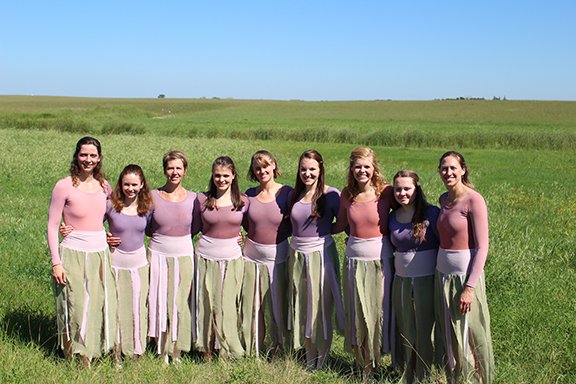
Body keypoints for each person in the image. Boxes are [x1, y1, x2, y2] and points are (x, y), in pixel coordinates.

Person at [47, 136, 117, 367]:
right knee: (74, 303)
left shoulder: (105, 186)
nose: (88, 160)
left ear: (99, 158)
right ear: (76, 156)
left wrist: (107, 234)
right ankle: (72, 354)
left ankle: (89, 352)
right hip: (72, 252)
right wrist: (56, 262)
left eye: (93, 156)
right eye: (83, 155)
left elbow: (105, 217)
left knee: (96, 302)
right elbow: (52, 225)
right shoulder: (64, 186)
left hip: (99, 253)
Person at [333, 147, 394, 374]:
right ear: (351, 168)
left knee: (378, 311)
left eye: (366, 166)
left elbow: (408, 211)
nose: (362, 171)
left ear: (374, 168)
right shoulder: (346, 195)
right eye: (358, 166)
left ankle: (379, 361)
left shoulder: (386, 193)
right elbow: (339, 225)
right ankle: (362, 365)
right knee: (357, 311)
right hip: (354, 260)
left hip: (381, 260)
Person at [435, 151, 494, 383]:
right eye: (444, 168)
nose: (448, 172)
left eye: (452, 168)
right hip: (442, 275)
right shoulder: (443, 199)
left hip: (464, 277)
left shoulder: (474, 200)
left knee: (470, 330)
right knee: (449, 330)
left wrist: (469, 287)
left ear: (463, 170)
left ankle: (477, 378)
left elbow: (483, 247)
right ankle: (455, 376)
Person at [287, 149, 344, 371]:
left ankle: (323, 357)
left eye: (312, 169)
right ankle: (309, 355)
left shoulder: (331, 194)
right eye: (303, 169)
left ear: (320, 170)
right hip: (297, 254)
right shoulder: (294, 195)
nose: (307, 173)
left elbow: (342, 222)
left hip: (321, 254)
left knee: (321, 306)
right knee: (303, 304)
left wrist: (326, 233)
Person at [195, 156, 248, 360]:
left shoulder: (243, 202)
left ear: (233, 176)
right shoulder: (202, 200)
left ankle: (225, 347)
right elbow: (192, 227)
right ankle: (206, 348)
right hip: (206, 256)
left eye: (226, 175)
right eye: (217, 175)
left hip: (232, 259)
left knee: (227, 304)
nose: (221, 179)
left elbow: (252, 228)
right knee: (206, 303)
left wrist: (243, 238)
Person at [389, 169, 440, 383]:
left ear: (416, 189)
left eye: (407, 188)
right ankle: (407, 370)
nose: (402, 193)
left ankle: (426, 372)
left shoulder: (432, 213)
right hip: (400, 281)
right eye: (398, 189)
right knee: (405, 325)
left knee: (425, 327)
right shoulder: (392, 216)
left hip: (426, 280)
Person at [241, 150, 292, 357]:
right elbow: (242, 222)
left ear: (274, 166)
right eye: (258, 168)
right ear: (253, 171)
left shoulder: (286, 193)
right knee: (254, 305)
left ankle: (279, 346)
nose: (262, 170)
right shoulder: (249, 194)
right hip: (251, 255)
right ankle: (255, 346)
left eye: (266, 165)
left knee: (278, 304)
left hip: (278, 255)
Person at [147, 150, 196, 364]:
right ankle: (161, 349)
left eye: (178, 168)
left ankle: (178, 350)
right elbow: (144, 225)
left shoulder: (194, 198)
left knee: (180, 302)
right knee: (159, 301)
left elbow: (198, 226)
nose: (174, 172)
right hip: (158, 253)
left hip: (184, 254)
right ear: (164, 170)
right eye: (170, 168)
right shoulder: (152, 196)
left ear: (185, 170)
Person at [106, 164, 153, 359]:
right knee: (117, 307)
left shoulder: (147, 208)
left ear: (142, 185)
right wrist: (105, 236)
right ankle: (116, 351)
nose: (130, 188)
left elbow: (153, 230)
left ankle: (137, 350)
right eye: (126, 184)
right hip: (116, 261)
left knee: (137, 306)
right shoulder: (110, 205)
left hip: (139, 262)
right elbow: (91, 225)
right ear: (120, 184)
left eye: (134, 184)